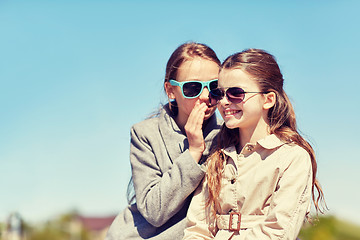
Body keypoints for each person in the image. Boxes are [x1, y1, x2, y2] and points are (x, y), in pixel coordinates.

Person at [183, 49, 326, 240]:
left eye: (235, 93)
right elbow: (197, 229)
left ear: (268, 100)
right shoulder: (216, 158)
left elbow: (278, 231)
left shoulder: (293, 158)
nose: (224, 101)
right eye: (220, 93)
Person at [105, 42, 222, 240]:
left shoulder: (230, 134)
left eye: (214, 87)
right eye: (192, 88)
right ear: (170, 91)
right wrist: (193, 152)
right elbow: (154, 211)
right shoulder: (145, 134)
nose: (205, 96)